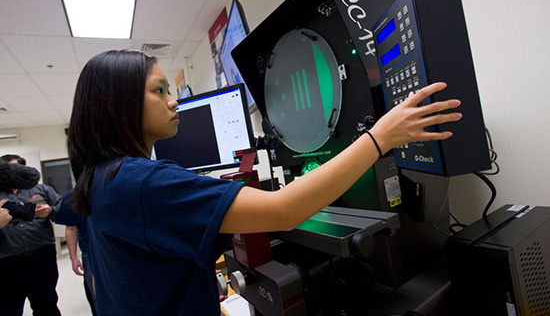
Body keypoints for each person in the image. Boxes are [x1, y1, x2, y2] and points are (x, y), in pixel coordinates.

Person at [67, 50, 462, 315]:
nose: (173, 101)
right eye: (159, 91)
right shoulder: (138, 181)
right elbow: (283, 210)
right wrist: (380, 138)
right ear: (113, 105)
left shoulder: (103, 178)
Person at [0, 154, 63, 316]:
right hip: (8, 263)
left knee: (46, 304)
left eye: (15, 169)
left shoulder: (41, 190)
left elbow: (64, 212)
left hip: (41, 258)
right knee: (8, 308)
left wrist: (51, 211)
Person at [55, 191, 97, 315]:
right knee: (95, 295)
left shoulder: (110, 189)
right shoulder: (73, 196)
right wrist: (73, 258)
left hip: (112, 250)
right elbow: (71, 228)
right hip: (89, 251)